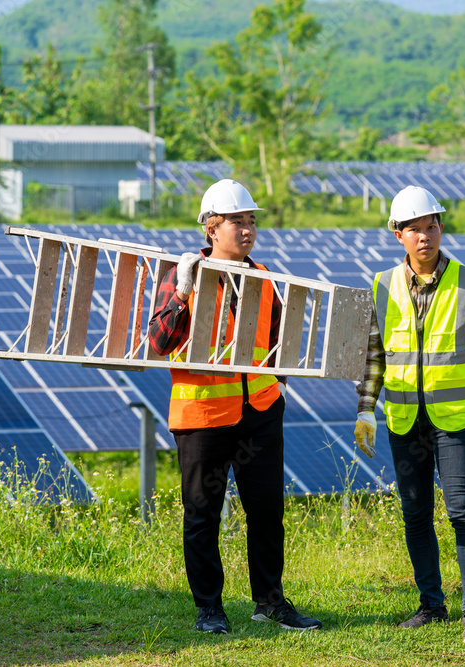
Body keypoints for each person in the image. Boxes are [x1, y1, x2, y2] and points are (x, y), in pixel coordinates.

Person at [148, 179, 322, 635]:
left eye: (251, 221)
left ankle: (271, 602)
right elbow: (159, 341)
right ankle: (210, 609)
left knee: (266, 510)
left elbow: (280, 342)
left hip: (261, 411)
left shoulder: (264, 276)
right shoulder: (182, 275)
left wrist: (281, 378)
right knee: (202, 513)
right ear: (211, 228)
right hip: (202, 416)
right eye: (236, 222)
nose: (247, 230)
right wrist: (184, 295)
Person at [353, 185, 465, 643]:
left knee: (462, 511)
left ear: (441, 228)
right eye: (415, 228)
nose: (426, 235)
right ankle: (431, 605)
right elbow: (374, 353)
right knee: (415, 513)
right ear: (397, 234)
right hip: (403, 418)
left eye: (432, 225)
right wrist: (365, 408)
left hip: (455, 418)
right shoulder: (382, 285)